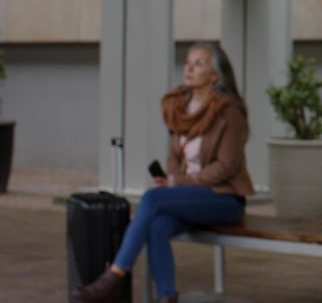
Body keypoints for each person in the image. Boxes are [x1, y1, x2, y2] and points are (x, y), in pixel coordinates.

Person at [75, 42, 254, 303]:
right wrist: (171, 179)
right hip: (188, 195)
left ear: (215, 76)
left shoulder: (230, 112)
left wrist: (177, 181)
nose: (189, 68)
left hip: (223, 198)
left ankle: (115, 276)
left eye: (199, 63)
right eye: (188, 62)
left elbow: (226, 167)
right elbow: (174, 157)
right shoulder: (179, 107)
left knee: (151, 199)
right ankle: (166, 297)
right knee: (157, 225)